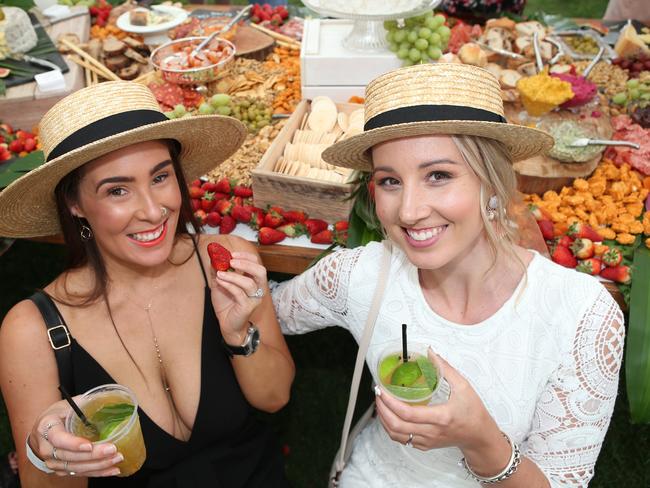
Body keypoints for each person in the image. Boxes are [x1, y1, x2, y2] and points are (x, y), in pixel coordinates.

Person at [272, 63, 624, 487]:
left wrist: (480, 441)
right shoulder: (361, 275)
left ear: (491, 185)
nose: (408, 211)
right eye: (389, 181)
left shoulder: (582, 316)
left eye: (438, 175)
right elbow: (272, 310)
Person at [0, 81, 295, 488]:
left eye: (160, 177)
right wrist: (48, 451)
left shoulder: (226, 260)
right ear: (75, 204)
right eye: (117, 190)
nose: (154, 210)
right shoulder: (32, 330)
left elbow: (275, 397)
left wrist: (239, 336)